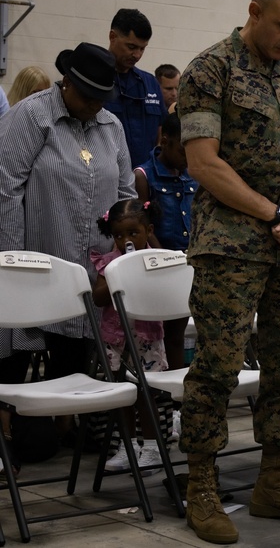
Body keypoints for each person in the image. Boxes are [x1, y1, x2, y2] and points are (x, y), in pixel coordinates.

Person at [177, 0, 280, 543]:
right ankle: (202, 486)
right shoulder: (210, 70)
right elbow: (204, 163)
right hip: (233, 245)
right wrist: (274, 215)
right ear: (254, 11)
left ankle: (274, 481)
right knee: (217, 366)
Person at [0, 42, 136, 439]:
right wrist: (12, 263)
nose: (97, 104)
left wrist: (121, 258)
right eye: (90, 96)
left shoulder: (111, 126)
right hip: (36, 263)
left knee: (74, 349)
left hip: (90, 270)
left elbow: (125, 192)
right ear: (68, 84)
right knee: (17, 348)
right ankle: (8, 429)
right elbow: (5, 191)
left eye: (103, 97)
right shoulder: (32, 117)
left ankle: (63, 427)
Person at [91, 198, 167, 475]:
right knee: (122, 394)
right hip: (117, 339)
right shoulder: (109, 262)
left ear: (148, 230)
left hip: (146, 337)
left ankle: (152, 447)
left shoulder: (156, 258)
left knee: (147, 394)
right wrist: (115, 274)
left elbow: (166, 289)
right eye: (119, 235)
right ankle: (127, 446)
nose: (126, 240)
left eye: (133, 233)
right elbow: (98, 299)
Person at [135, 112, 197, 370]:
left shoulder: (193, 173)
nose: (188, 157)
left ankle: (182, 398)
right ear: (166, 140)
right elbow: (143, 227)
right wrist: (168, 260)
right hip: (160, 267)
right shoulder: (143, 175)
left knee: (181, 334)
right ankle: (165, 398)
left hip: (190, 263)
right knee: (162, 335)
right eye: (183, 149)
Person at [106, 8, 168, 167]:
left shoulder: (150, 84)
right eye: (131, 47)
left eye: (142, 48)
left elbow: (161, 136)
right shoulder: (94, 80)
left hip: (145, 178)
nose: (137, 55)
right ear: (113, 37)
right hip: (106, 176)